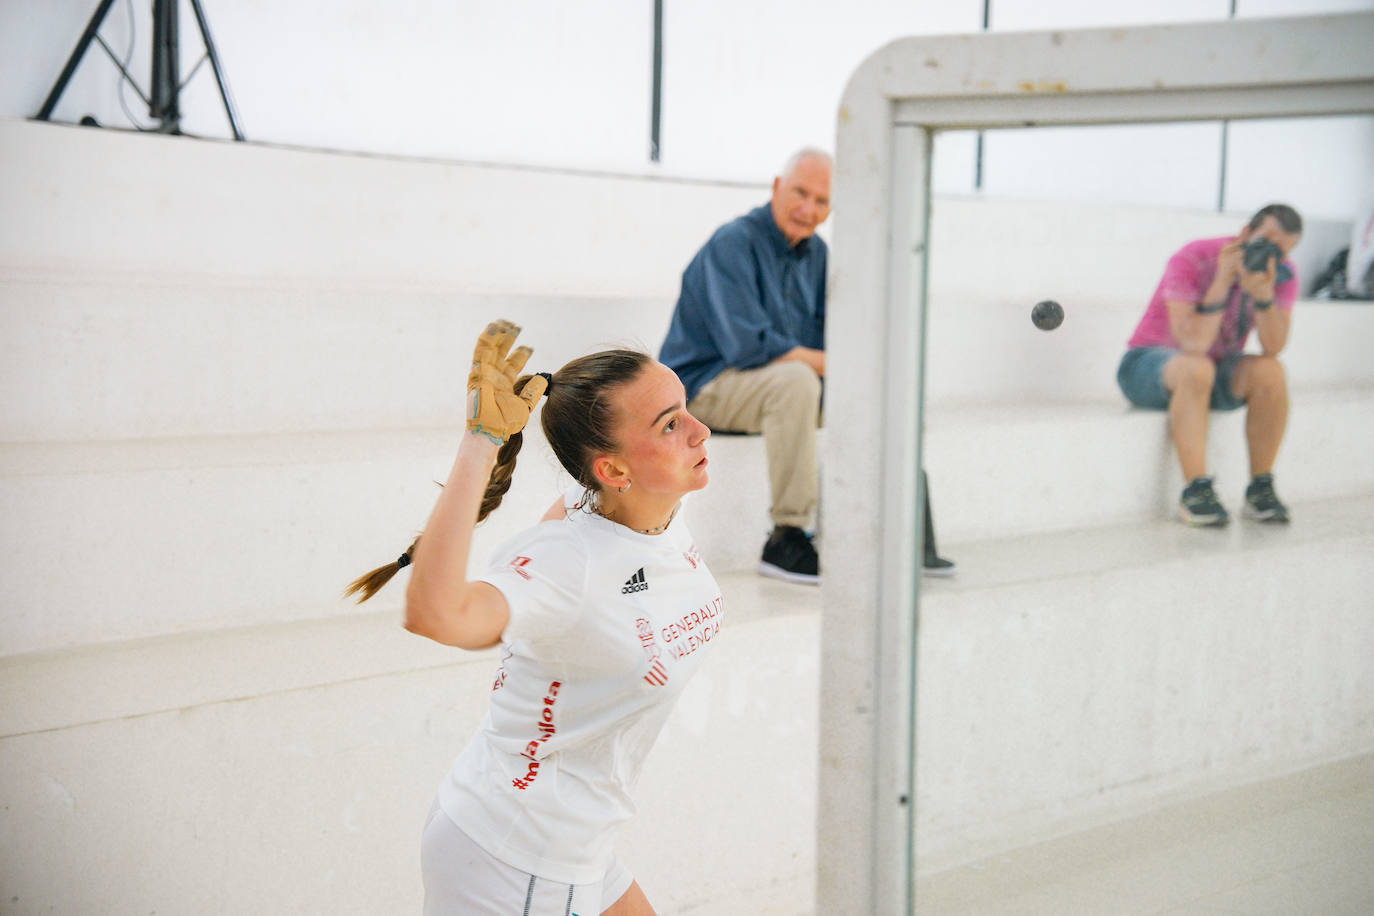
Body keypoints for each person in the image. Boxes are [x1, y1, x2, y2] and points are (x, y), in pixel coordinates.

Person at [347, 320, 720, 915]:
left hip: (575, 846)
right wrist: (479, 443)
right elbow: (434, 613)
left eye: (685, 409)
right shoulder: (569, 560)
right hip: (516, 858)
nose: (700, 430)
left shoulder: (639, 509)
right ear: (614, 470)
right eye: (670, 424)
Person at [658, 147, 954, 585]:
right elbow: (746, 346)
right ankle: (787, 535)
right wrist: (838, 363)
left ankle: (903, 527)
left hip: (770, 389)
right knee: (797, 381)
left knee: (877, 389)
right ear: (777, 187)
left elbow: (834, 338)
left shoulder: (818, 256)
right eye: (800, 193)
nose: (808, 209)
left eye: (821, 200)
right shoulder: (733, 243)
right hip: (702, 390)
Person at [1116, 203, 1303, 526]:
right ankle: (1196, 490)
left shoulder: (1279, 275)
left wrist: (1262, 295)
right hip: (1146, 365)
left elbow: (1274, 347)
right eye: (1265, 244)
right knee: (1196, 366)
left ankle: (1260, 489)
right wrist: (1222, 279)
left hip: (1213, 368)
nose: (1270, 256)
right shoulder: (1194, 257)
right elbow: (1193, 344)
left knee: (1270, 371)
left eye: (1280, 252)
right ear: (1245, 233)